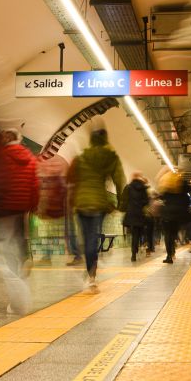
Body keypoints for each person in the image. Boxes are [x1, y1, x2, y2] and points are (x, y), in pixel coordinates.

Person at [68, 118, 125, 291]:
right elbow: (120, 180)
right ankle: (92, 276)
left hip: (81, 202)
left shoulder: (82, 156)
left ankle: (89, 272)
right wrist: (120, 202)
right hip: (98, 203)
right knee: (93, 237)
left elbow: (72, 179)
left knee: (86, 239)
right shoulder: (110, 156)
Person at [0, 127, 39, 315]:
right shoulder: (30, 158)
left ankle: (17, 300)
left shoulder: (0, 157)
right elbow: (35, 186)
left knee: (6, 251)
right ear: (19, 140)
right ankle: (23, 268)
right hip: (22, 210)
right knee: (19, 245)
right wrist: (33, 206)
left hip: (4, 210)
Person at [157, 168, 191, 264]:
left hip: (167, 214)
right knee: (173, 234)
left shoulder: (166, 185)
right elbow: (188, 198)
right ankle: (173, 252)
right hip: (178, 214)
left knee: (168, 235)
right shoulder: (182, 184)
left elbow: (161, 196)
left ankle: (169, 256)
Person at [120, 172, 149, 262]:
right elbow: (146, 201)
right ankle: (138, 247)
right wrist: (140, 205)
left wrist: (125, 209)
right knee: (139, 232)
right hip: (139, 213)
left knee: (134, 234)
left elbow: (123, 200)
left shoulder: (128, 187)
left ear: (133, 177)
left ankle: (133, 254)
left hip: (131, 213)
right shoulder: (143, 188)